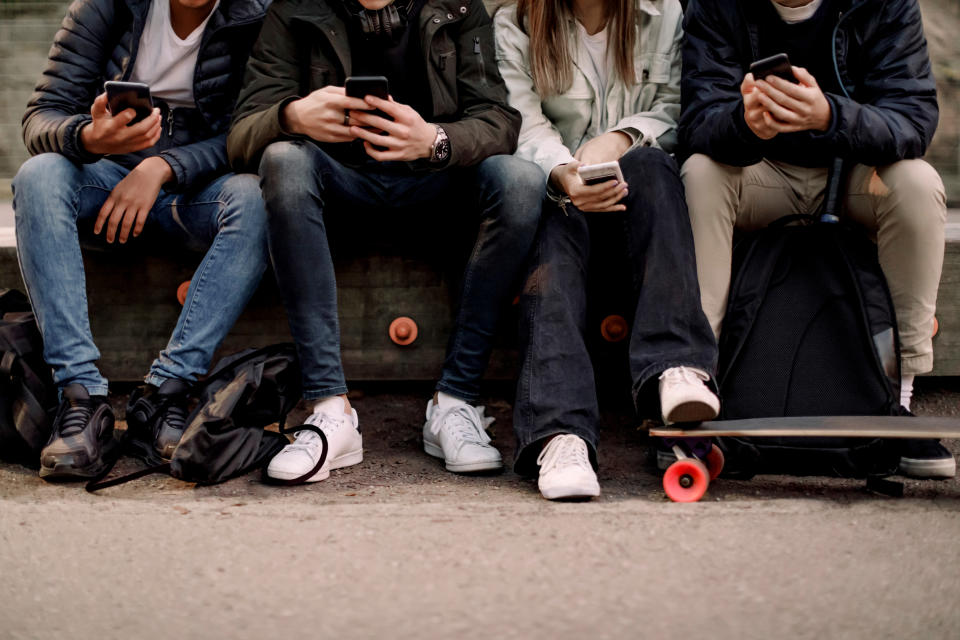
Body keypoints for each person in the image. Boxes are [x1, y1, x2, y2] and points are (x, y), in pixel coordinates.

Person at [227, 0, 545, 483]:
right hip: (338, 191)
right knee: (283, 161)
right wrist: (292, 116)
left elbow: (499, 121)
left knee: (520, 181)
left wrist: (435, 140)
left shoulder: (457, 8)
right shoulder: (294, 10)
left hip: (438, 187)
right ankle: (331, 411)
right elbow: (241, 136)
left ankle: (455, 402)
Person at [679, 0, 954, 478]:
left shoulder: (885, 4)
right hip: (759, 173)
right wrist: (745, 124)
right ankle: (699, 393)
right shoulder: (717, 4)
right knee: (699, 174)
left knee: (917, 183)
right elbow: (697, 122)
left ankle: (898, 400)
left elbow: (912, 122)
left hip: (853, 175)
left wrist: (831, 117)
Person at [13, 0, 271, 480]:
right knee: (38, 177)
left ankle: (165, 393)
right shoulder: (106, 6)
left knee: (257, 197)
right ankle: (81, 397)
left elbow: (257, 127)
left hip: (200, 189)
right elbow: (40, 117)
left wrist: (164, 166)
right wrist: (91, 139)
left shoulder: (257, 14)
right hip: (106, 180)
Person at [494, 0, 721, 500]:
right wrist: (566, 175)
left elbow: (678, 108)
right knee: (548, 217)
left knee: (655, 169)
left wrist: (619, 140)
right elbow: (521, 122)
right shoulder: (516, 23)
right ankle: (561, 433)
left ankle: (677, 369)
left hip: (642, 211)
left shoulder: (663, 14)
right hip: (563, 198)